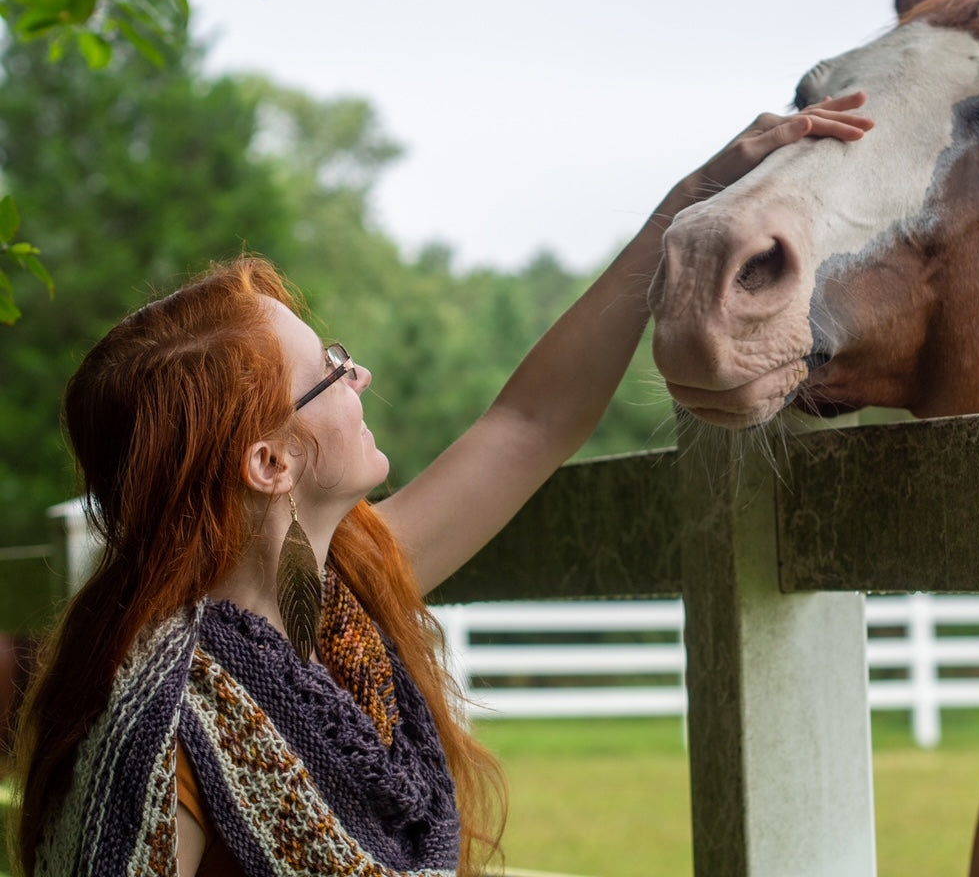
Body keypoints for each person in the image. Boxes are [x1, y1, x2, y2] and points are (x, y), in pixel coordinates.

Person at [9, 95, 872, 877]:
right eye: (331, 371)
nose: (363, 375)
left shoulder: (340, 603)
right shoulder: (161, 727)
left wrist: (689, 200)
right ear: (270, 465)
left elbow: (530, 425)